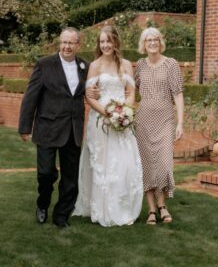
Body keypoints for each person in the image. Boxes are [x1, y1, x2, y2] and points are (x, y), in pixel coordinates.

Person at [17, 27, 89, 229]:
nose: (67, 46)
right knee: (46, 173)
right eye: (63, 42)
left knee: (71, 179)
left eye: (71, 43)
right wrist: (25, 126)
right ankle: (42, 204)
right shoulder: (44, 64)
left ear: (78, 45)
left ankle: (61, 215)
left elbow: (90, 94)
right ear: (60, 43)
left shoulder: (85, 66)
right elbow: (31, 97)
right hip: (47, 128)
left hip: (73, 130)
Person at [73, 25, 143, 227]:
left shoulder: (127, 65)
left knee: (124, 165)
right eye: (102, 42)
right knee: (102, 165)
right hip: (101, 122)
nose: (105, 45)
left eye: (108, 41)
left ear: (115, 42)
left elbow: (130, 93)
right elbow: (89, 96)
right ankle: (101, 209)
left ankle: (123, 207)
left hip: (122, 121)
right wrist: (109, 114)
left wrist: (124, 113)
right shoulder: (95, 65)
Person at [133, 27, 184, 225]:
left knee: (163, 165)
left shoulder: (171, 64)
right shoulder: (140, 65)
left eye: (155, 39)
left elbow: (178, 94)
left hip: (165, 119)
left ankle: (163, 205)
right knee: (146, 166)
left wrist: (180, 122)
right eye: (148, 40)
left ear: (160, 42)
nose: (152, 43)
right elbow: (133, 88)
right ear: (143, 44)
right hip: (144, 120)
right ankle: (152, 210)